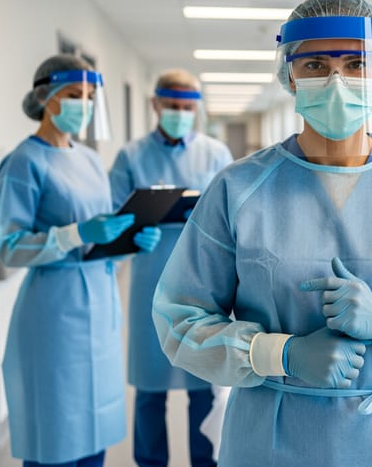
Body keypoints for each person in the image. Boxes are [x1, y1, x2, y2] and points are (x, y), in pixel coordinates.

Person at [151, 0, 372, 467]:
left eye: (357, 63)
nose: (337, 80)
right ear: (289, 76)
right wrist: (282, 354)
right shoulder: (240, 188)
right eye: (316, 64)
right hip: (271, 436)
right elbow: (180, 320)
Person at [0, 54, 161, 467]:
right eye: (73, 95)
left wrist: (129, 241)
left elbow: (101, 233)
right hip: (53, 313)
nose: (83, 105)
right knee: (55, 432)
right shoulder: (23, 162)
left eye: (89, 96)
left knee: (94, 431)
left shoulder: (88, 159)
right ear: (45, 97)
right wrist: (76, 234)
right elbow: (9, 248)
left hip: (100, 305)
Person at [109, 69, 232, 467]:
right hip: (150, 279)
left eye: (186, 107)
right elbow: (112, 220)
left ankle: (205, 461)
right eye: (172, 106)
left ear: (196, 108)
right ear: (155, 104)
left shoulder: (216, 154)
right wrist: (132, 231)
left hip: (203, 280)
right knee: (149, 388)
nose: (179, 113)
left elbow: (235, 215)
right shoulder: (131, 156)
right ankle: (149, 461)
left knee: (203, 384)